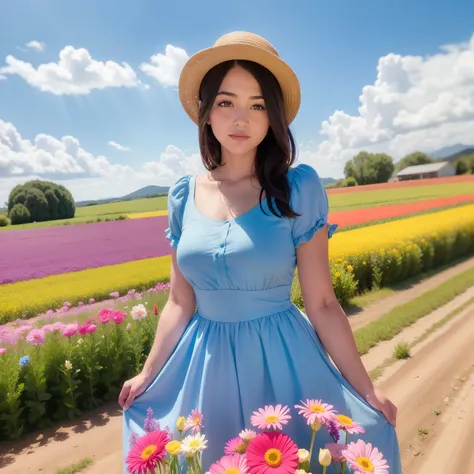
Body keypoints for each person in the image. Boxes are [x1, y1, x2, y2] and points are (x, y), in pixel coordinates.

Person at [120, 31, 402, 473]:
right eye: (226, 101)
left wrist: (366, 390)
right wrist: (147, 373)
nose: (241, 118)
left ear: (273, 117)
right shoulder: (182, 195)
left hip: (283, 359)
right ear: (206, 111)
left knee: (290, 456)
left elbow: (323, 302)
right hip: (203, 366)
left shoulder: (298, 188)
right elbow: (179, 300)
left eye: (257, 105)